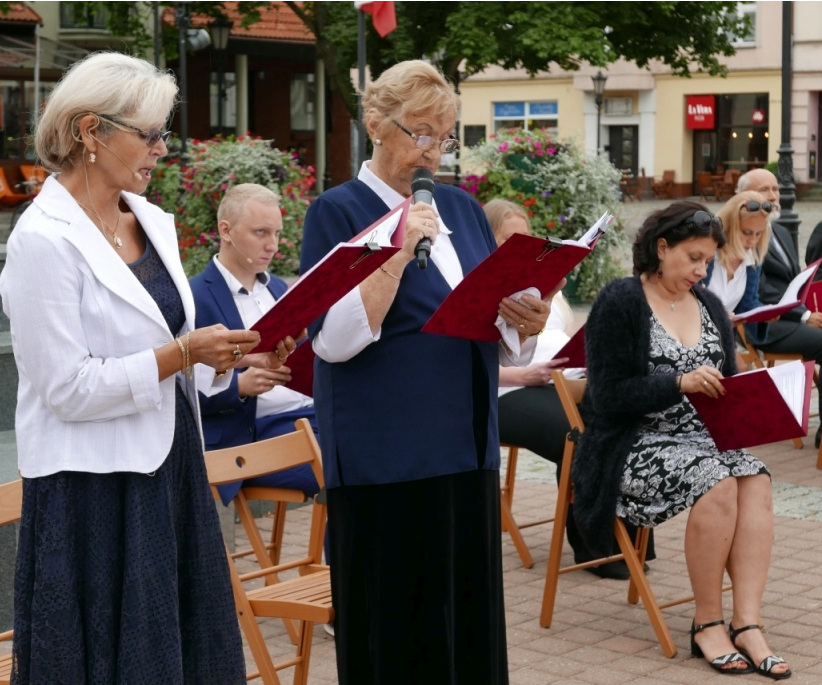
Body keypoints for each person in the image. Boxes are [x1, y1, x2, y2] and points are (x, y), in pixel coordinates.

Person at [0, 53, 296, 684]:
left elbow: (171, 344)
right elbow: (67, 389)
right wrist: (182, 355)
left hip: (171, 462)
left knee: (182, 652)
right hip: (94, 486)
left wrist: (234, 354)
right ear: (90, 132)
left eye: (165, 132)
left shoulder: (151, 220)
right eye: (150, 133)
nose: (163, 148)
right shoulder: (41, 240)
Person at [299, 60, 552, 684]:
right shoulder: (336, 212)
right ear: (376, 125)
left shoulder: (462, 211)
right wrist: (391, 253)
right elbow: (330, 342)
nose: (434, 152)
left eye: (445, 137)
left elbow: (488, 326)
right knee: (397, 630)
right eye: (422, 133)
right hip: (386, 454)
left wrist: (524, 320)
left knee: (466, 625)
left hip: (465, 444)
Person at [572, 201, 791, 679]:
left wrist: (764, 406)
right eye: (693, 257)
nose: (701, 269)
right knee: (719, 480)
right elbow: (605, 397)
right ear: (661, 247)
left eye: (708, 260)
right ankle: (707, 622)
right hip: (634, 440)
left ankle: (747, 621)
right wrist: (678, 383)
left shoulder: (710, 305)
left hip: (704, 437)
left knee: (755, 476)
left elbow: (728, 390)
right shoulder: (621, 300)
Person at [485, 198, 654, 580]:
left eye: (527, 238)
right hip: (507, 389)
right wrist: (523, 375)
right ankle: (595, 545)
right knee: (579, 434)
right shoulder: (481, 283)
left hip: (560, 378)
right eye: (510, 239)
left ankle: (631, 538)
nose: (522, 246)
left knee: (624, 417)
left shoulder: (544, 282)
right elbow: (466, 363)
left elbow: (563, 333)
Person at [190, 183, 320, 505]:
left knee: (377, 442)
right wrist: (240, 386)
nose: (273, 246)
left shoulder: (279, 288)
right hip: (251, 435)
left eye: (277, 233)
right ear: (226, 230)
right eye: (261, 232)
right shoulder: (194, 298)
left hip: (311, 418)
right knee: (347, 464)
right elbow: (180, 389)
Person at [737, 169, 822, 454]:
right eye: (764, 190)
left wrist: (806, 311)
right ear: (743, 197)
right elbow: (758, 293)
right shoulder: (743, 234)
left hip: (790, 316)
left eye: (776, 190)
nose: (773, 196)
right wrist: (804, 315)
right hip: (762, 324)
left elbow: (791, 282)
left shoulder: (779, 230)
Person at [701, 190, 772, 348]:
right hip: (690, 343)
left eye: (759, 234)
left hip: (722, 343)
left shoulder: (752, 261)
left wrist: (763, 313)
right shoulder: (706, 256)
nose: (753, 240)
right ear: (728, 227)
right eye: (746, 232)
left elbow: (748, 304)